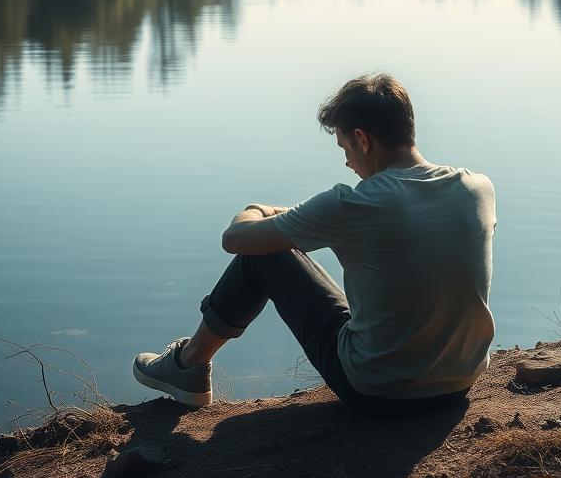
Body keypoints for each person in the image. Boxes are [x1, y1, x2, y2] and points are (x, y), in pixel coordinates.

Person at [132, 73, 497, 415]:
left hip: (379, 390)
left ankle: (189, 364)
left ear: (363, 139)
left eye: (344, 146)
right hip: (460, 381)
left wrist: (255, 208)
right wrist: (299, 216)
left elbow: (236, 240)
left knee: (264, 256)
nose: (346, 161)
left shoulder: (352, 204)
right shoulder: (476, 188)